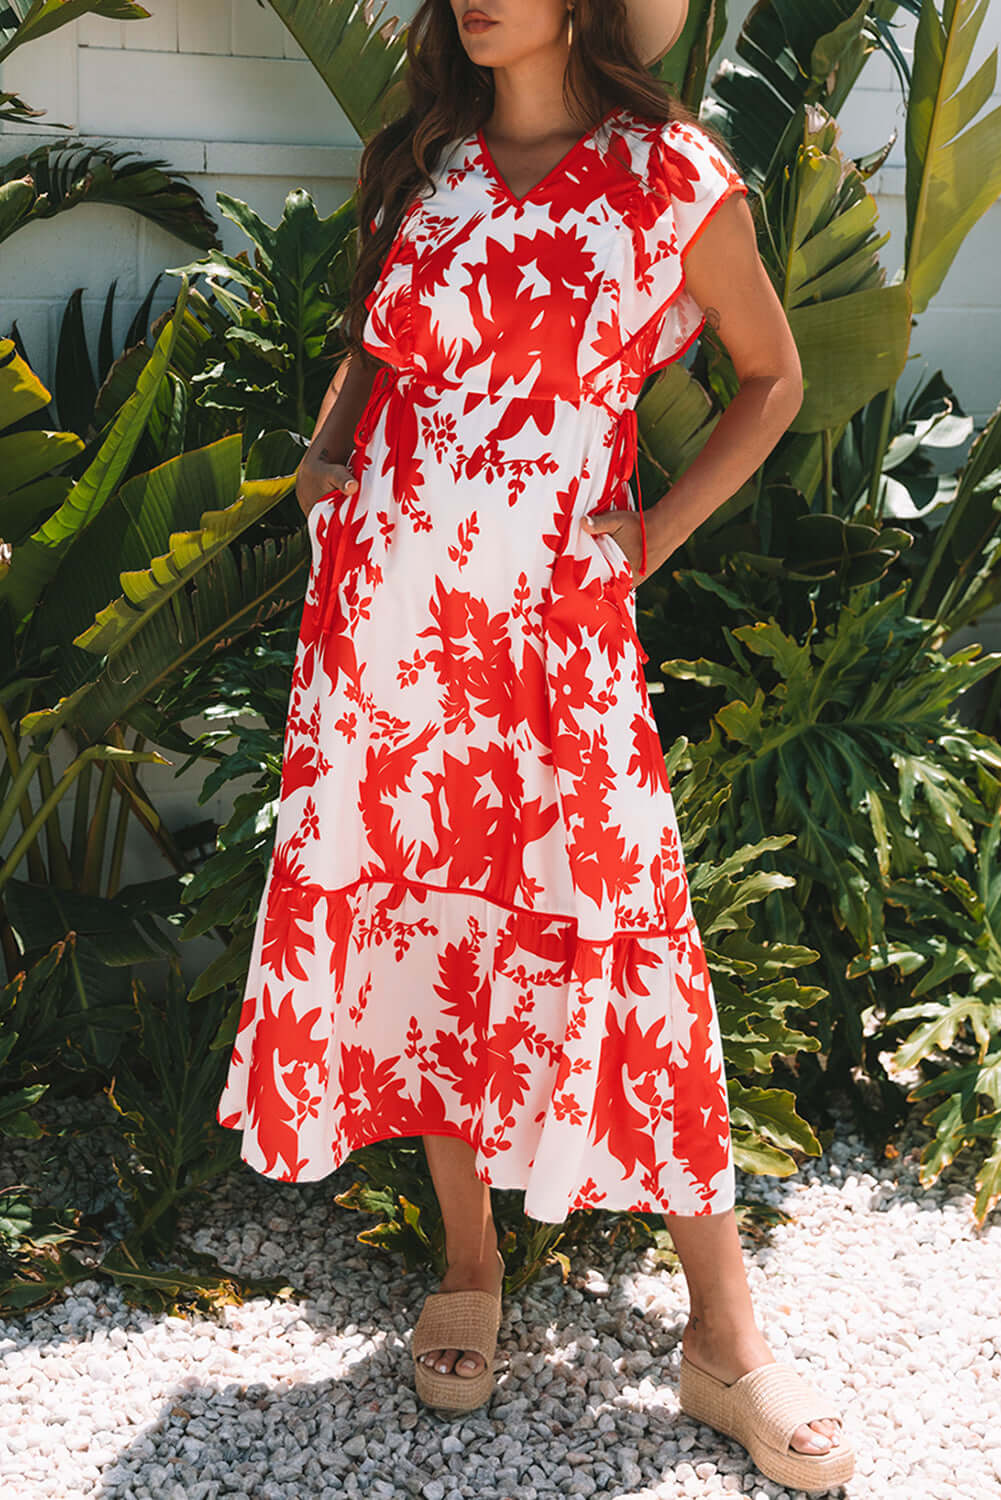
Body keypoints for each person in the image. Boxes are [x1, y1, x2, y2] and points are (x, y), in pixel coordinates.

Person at [216, 0, 854, 1488]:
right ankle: (469, 1264)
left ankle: (725, 1338)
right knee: (429, 929)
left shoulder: (668, 174)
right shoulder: (430, 156)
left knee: (630, 934)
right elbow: (378, 345)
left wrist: (650, 537)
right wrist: (323, 467)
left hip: (556, 634)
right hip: (386, 629)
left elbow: (771, 376)